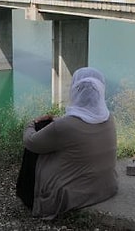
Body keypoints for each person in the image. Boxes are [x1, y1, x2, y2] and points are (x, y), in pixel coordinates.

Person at [17, 67, 118, 220]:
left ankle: (27, 195)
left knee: (37, 134)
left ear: (74, 92)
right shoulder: (109, 118)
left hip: (70, 195)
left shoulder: (64, 126)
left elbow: (31, 142)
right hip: (107, 187)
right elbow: (78, 126)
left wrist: (32, 123)